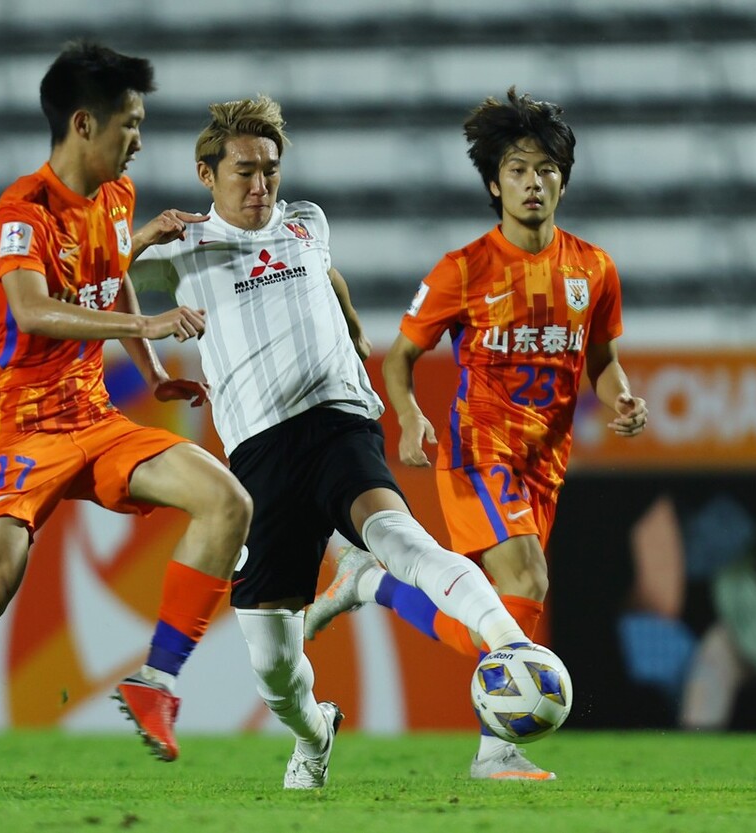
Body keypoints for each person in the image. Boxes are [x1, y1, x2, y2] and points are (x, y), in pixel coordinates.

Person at [0, 40, 252, 794]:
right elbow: (33, 308)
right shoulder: (20, 209)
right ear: (83, 124)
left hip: (92, 416)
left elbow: (107, 275)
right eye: (129, 123)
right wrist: (149, 329)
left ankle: (155, 680)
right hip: (15, 424)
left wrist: (155, 375)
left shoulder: (119, 199)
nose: (139, 138)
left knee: (227, 501)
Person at [130, 95, 534, 790]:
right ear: (207, 174)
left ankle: (514, 650)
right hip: (257, 450)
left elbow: (329, 270)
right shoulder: (181, 250)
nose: (261, 186)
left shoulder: (306, 222)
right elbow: (99, 282)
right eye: (244, 172)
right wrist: (142, 257)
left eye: (270, 170)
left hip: (338, 420)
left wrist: (350, 326)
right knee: (273, 666)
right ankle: (313, 733)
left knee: (401, 538)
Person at [306, 88, 648, 781]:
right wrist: (410, 414)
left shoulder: (594, 268)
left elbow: (601, 359)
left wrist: (622, 398)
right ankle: (496, 749)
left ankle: (371, 584)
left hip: (544, 460)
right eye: (519, 169)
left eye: (547, 169)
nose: (533, 182)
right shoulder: (463, 269)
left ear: (563, 179)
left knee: (503, 609)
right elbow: (398, 356)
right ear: (495, 183)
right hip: (478, 448)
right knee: (525, 575)